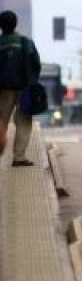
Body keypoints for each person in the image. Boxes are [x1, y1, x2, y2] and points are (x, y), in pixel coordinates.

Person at [0, 11, 41, 166]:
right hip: (24, 89)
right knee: (24, 121)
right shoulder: (25, 42)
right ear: (16, 24)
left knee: (1, 121)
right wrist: (32, 82)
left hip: (3, 90)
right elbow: (36, 63)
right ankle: (19, 157)